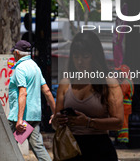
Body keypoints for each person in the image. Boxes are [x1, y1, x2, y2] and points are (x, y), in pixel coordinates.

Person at [53, 31, 124, 161]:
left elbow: (118, 122)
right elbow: (55, 122)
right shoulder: (66, 83)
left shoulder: (108, 84)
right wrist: (57, 120)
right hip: (70, 149)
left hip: (99, 150)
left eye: (85, 56)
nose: (79, 61)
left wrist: (89, 122)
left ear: (95, 56)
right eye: (76, 57)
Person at [8, 40, 56, 161]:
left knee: (7, 145)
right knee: (37, 146)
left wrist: (19, 120)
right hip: (34, 116)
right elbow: (47, 91)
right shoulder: (35, 67)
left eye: (14, 52)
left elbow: (23, 93)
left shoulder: (20, 69)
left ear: (17, 53)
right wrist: (55, 112)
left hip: (20, 118)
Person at [115, 64, 133, 148]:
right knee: (123, 124)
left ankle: (122, 142)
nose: (118, 73)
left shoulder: (125, 83)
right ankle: (121, 140)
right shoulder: (129, 81)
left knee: (123, 125)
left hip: (123, 107)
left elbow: (120, 95)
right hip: (126, 107)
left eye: (120, 72)